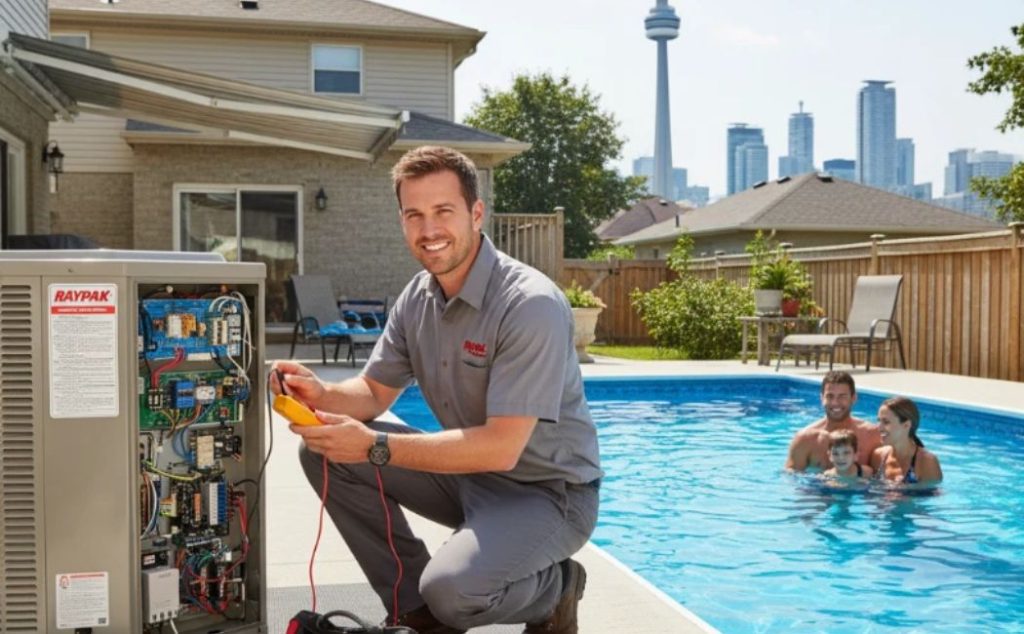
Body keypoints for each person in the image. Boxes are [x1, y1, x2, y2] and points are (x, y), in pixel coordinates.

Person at [271, 146, 602, 634]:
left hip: (548, 493)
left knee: (454, 592)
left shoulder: (529, 304)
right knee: (321, 451)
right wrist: (319, 394)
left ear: (476, 213)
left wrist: (375, 447)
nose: (429, 231)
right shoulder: (417, 297)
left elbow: (502, 447)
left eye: (443, 211)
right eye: (414, 215)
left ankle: (557, 589)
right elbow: (373, 392)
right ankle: (415, 612)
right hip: (472, 478)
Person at [784, 371, 881, 471]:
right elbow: (792, 478)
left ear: (854, 398)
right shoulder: (805, 439)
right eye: (830, 396)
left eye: (842, 396)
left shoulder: (872, 435)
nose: (835, 403)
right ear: (822, 398)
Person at [870, 396, 943, 485]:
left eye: (886, 422)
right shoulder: (879, 456)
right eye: (879, 421)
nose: (879, 427)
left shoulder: (926, 461)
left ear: (906, 425)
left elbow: (933, 497)